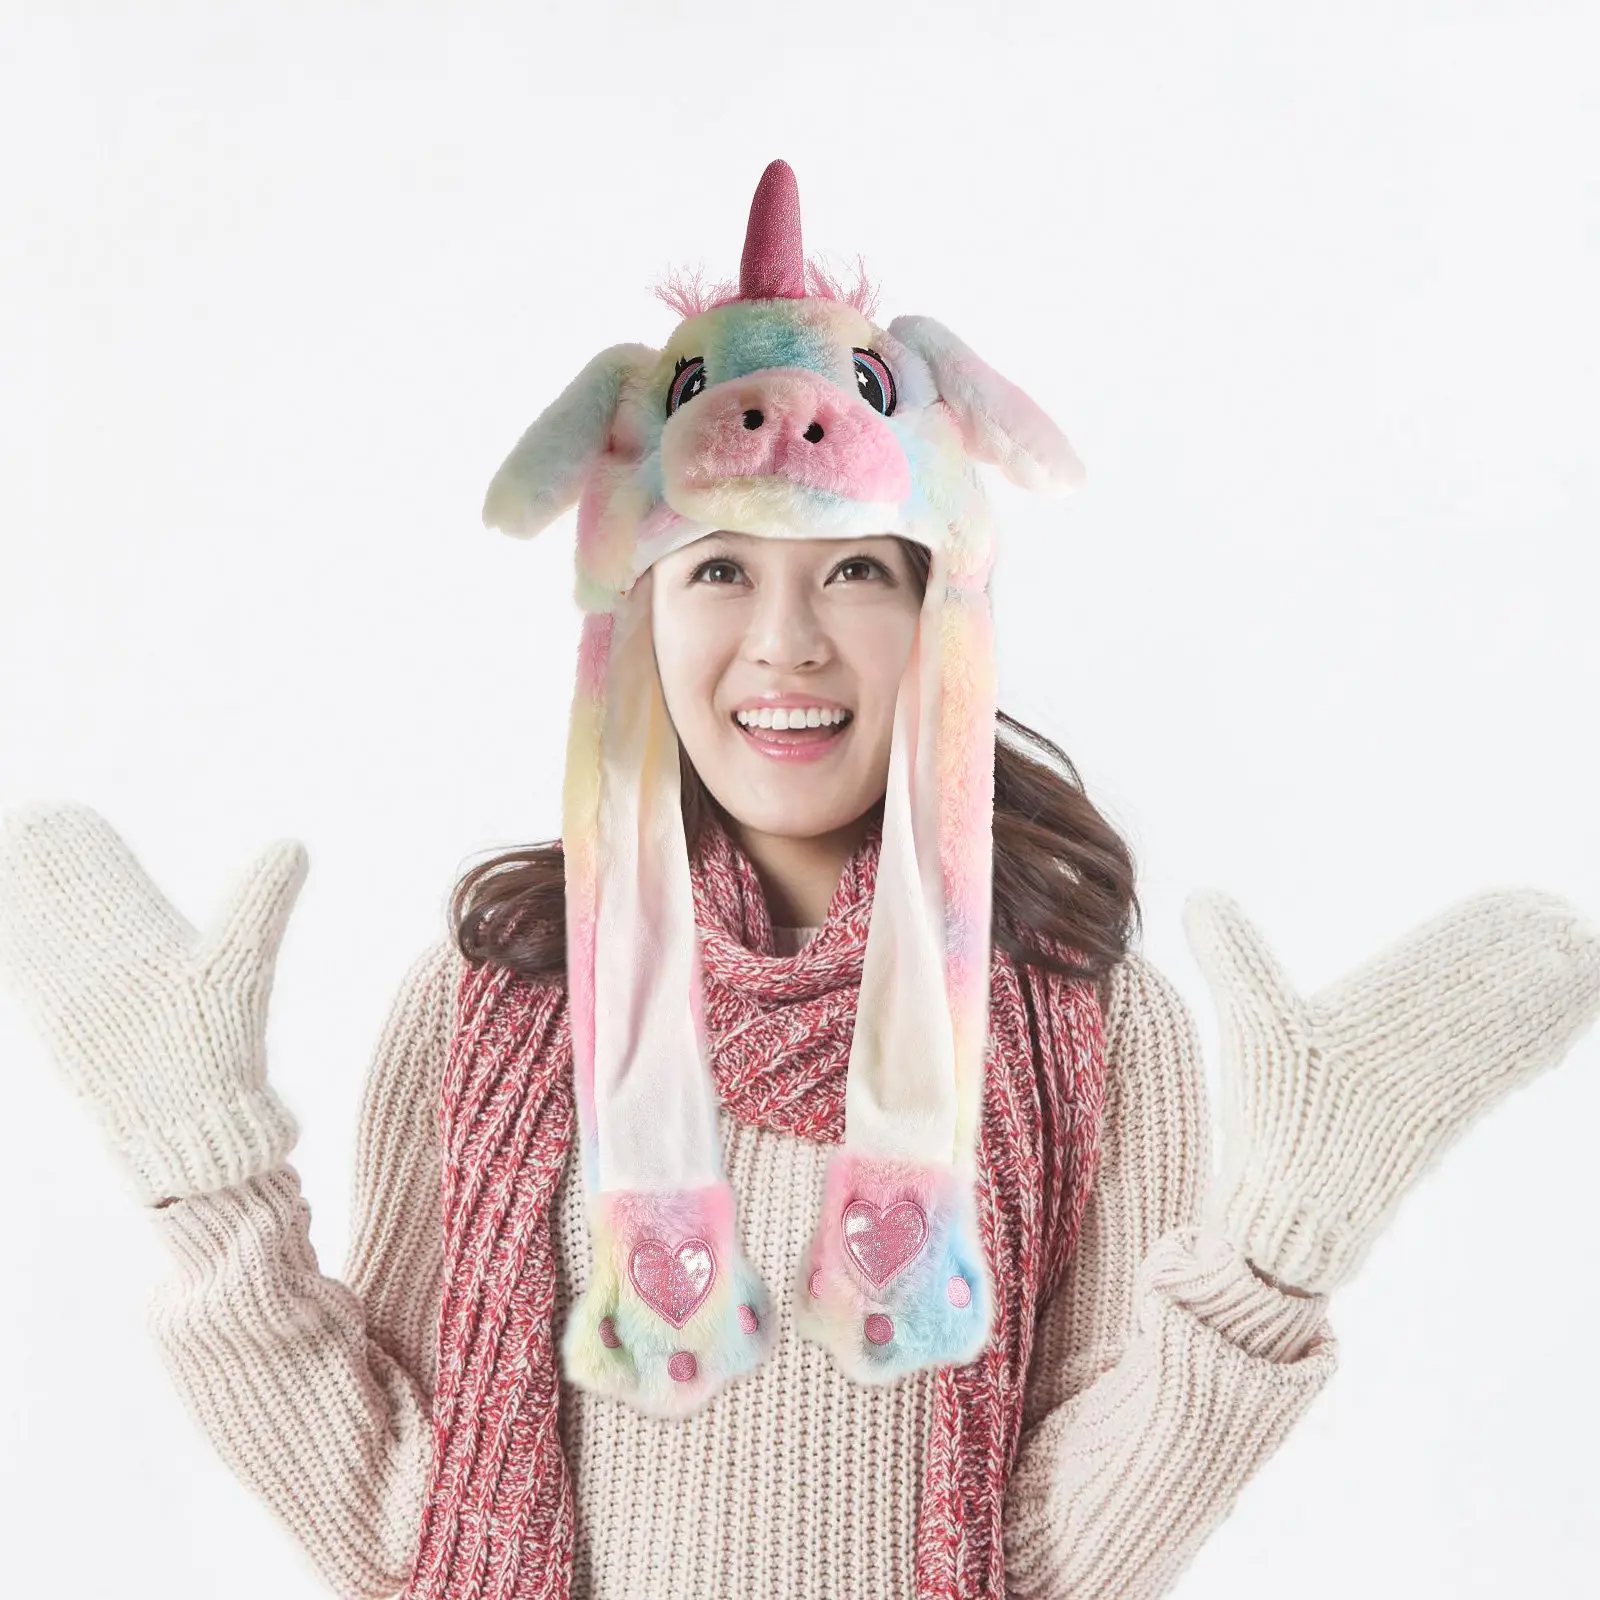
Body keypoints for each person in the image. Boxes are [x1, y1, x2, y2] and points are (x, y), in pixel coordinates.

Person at [1, 160, 1596, 1600]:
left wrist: (1274, 1248)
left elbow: (1062, 1564)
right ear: (636, 617)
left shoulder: (1087, 1027)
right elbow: (409, 1525)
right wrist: (205, 1180)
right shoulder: (503, 1001)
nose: (786, 644)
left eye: (853, 572)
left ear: (941, 617)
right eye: (717, 571)